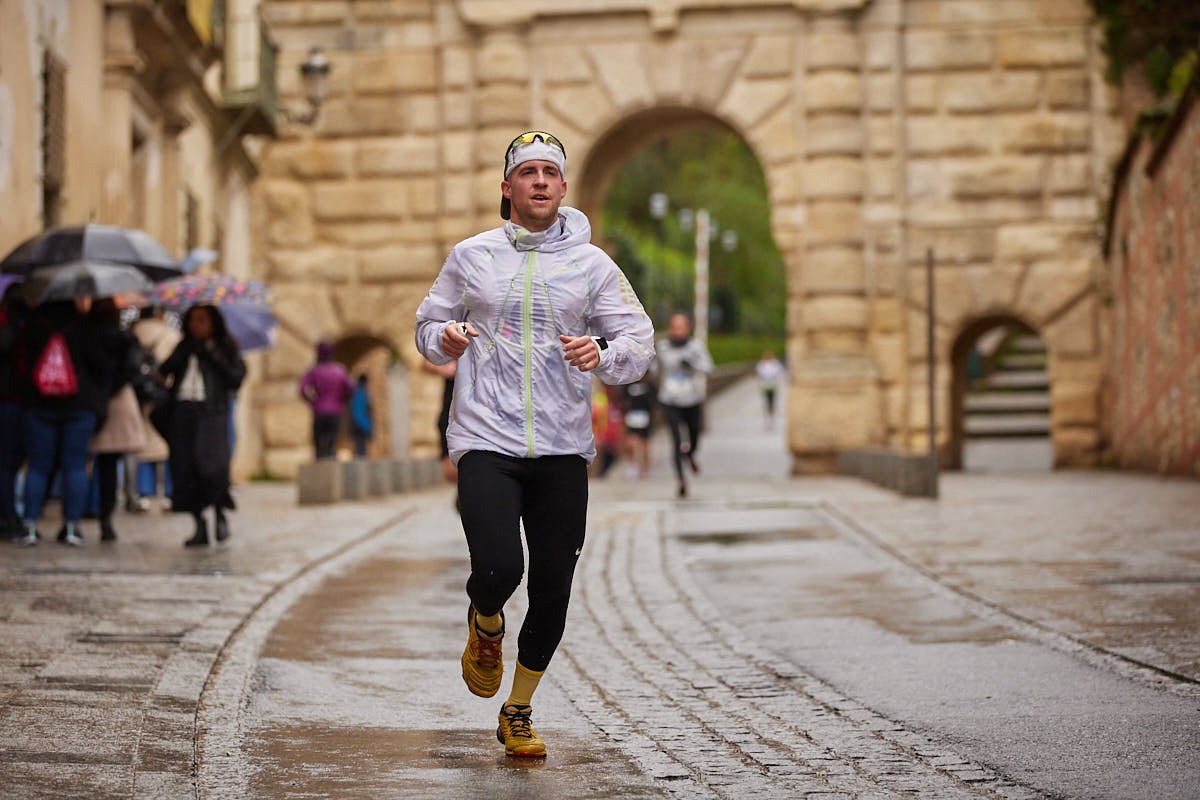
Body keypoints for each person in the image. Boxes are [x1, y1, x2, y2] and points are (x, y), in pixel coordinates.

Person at [414, 130, 654, 759]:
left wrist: (599, 351)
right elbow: (426, 326)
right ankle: (485, 620)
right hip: (485, 436)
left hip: (561, 445)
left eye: (551, 171)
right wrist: (448, 339)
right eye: (529, 173)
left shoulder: (593, 264)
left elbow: (638, 343)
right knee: (498, 567)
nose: (540, 181)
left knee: (553, 585)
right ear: (508, 187)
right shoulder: (471, 256)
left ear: (564, 187)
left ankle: (518, 708)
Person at [15, 296, 113, 546]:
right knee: (75, 467)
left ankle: (30, 525)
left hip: (39, 405)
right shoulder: (83, 326)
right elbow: (102, 365)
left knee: (37, 467)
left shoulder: (33, 325)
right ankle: (72, 526)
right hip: (78, 406)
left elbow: (21, 364)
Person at [158, 305, 246, 547]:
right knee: (186, 469)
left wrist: (212, 353)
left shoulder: (225, 347)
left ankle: (219, 513)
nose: (197, 325)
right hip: (184, 413)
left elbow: (236, 377)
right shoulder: (184, 347)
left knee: (213, 467)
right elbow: (164, 370)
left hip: (212, 413)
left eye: (202, 320)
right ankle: (199, 523)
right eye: (193, 320)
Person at [88, 299, 147, 542]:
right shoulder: (126, 339)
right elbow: (132, 369)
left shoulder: (85, 336)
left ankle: (82, 516)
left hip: (91, 401)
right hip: (118, 401)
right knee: (114, 462)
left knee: (83, 464)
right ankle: (107, 517)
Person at [656, 312, 713, 499]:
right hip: (670, 399)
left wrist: (692, 364)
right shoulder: (663, 347)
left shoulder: (695, 347)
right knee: (676, 441)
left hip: (692, 398)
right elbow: (655, 368)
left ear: (688, 328)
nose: (678, 331)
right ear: (670, 328)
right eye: (675, 327)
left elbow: (709, 368)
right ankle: (681, 481)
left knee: (694, 435)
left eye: (682, 327)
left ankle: (690, 455)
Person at [130, 306, 181, 511]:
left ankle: (145, 492)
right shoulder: (170, 335)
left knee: (142, 443)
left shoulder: (133, 333)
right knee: (167, 443)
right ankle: (169, 492)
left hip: (138, 395)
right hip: (162, 396)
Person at [0, 283, 28, 538]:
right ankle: (9, 516)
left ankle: (12, 514)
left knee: (13, 463)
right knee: (7, 465)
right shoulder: (10, 327)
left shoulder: (28, 327)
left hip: (21, 401)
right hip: (9, 400)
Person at [298, 340, 353, 460]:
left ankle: (319, 466)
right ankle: (330, 464)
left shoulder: (314, 370)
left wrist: (312, 401)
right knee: (332, 443)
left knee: (318, 444)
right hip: (335, 411)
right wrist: (342, 400)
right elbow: (350, 387)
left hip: (319, 411)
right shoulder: (340, 370)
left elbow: (302, 389)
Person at [621, 370, 655, 479]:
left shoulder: (650, 386)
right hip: (632, 416)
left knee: (645, 444)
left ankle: (644, 469)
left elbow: (654, 404)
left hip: (645, 417)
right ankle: (633, 464)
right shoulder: (629, 385)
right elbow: (623, 400)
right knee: (631, 443)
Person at [755, 349, 785, 428]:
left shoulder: (775, 364)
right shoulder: (761, 364)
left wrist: (777, 382)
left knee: (772, 401)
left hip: (772, 385)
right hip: (765, 385)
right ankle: (768, 417)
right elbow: (759, 375)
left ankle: (771, 417)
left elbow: (780, 373)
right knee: (767, 401)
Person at [349, 374, 374, 458]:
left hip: (357, 422)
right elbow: (363, 410)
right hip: (361, 423)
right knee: (361, 448)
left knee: (359, 446)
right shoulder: (362, 393)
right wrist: (367, 426)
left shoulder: (356, 392)